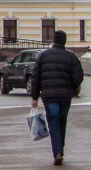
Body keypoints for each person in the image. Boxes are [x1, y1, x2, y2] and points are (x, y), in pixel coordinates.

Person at [31, 30, 83, 166]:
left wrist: (34, 97)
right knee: (62, 121)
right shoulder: (71, 57)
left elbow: (36, 77)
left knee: (53, 121)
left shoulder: (43, 56)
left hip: (49, 96)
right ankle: (60, 150)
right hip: (65, 96)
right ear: (64, 41)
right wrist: (71, 88)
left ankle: (58, 152)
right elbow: (79, 76)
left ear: (53, 40)